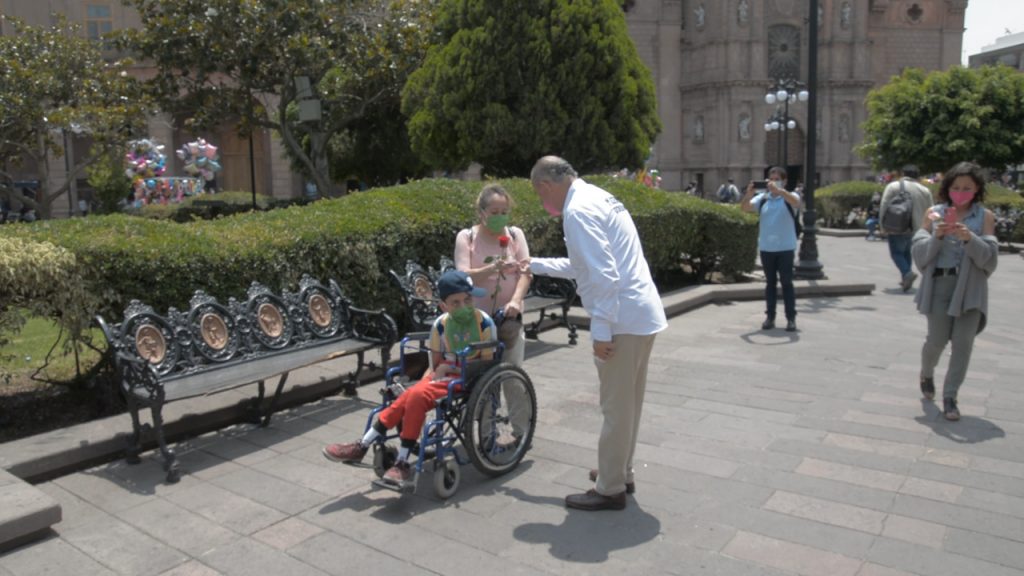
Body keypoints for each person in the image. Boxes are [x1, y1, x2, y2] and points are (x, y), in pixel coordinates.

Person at [527, 156, 667, 511]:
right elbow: (585, 266)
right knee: (628, 404)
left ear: (545, 185)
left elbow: (603, 274)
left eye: (539, 194)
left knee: (616, 408)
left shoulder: (577, 211)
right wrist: (531, 264)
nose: (543, 203)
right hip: (639, 313)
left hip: (622, 319)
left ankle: (610, 488)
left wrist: (601, 330)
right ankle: (619, 472)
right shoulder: (598, 197)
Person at [322, 270, 496, 487]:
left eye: (467, 300)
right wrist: (429, 379)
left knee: (413, 396)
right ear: (444, 306)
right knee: (412, 394)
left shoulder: (484, 323)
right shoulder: (441, 325)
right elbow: (434, 364)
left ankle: (370, 448)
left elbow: (486, 364)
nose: (463, 306)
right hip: (442, 375)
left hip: (469, 378)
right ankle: (385, 455)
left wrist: (449, 369)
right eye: (456, 302)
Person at [911, 162, 997, 421]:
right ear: (947, 188)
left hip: (970, 288)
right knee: (936, 340)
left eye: (967, 188)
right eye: (956, 187)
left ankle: (950, 397)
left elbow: (989, 260)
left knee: (963, 344)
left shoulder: (984, 217)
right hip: (940, 285)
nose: (960, 193)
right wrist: (937, 236)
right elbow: (920, 255)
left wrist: (970, 238)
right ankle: (927, 373)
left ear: (977, 189)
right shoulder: (933, 214)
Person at [455, 183, 532, 366]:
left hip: (509, 320)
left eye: (504, 212)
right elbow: (463, 277)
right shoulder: (467, 237)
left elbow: (526, 272)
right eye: (494, 212)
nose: (500, 217)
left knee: (511, 369)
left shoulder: (515, 235)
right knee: (480, 371)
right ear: (481, 212)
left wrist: (516, 301)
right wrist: (492, 268)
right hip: (476, 320)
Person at [741, 166, 801, 332]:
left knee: (787, 283)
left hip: (785, 248)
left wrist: (780, 191)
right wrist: (749, 194)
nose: (773, 182)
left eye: (777, 179)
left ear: (784, 181)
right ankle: (770, 317)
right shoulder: (762, 198)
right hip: (767, 248)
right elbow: (745, 208)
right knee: (770, 284)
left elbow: (796, 202)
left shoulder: (790, 196)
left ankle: (791, 318)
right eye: (771, 179)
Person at [880, 164, 933, 291]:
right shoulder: (925, 190)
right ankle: (906, 278)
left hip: (897, 225)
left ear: (902, 174)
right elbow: (932, 210)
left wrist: (882, 225)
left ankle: (907, 273)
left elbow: (884, 205)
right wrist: (930, 229)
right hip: (917, 229)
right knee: (907, 252)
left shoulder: (893, 186)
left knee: (897, 253)